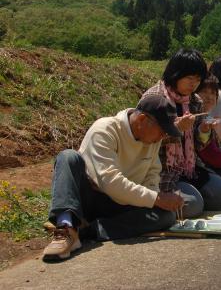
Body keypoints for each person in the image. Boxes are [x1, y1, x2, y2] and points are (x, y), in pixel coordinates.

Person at [42, 95, 182, 261]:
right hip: (91, 198)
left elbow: (152, 174)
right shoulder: (105, 129)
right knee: (68, 157)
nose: (162, 137)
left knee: (166, 216)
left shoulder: (152, 139)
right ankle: (65, 227)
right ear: (143, 120)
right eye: (162, 131)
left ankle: (86, 230)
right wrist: (156, 198)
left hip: (122, 203)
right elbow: (111, 182)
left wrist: (155, 199)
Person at [141, 49, 221, 214]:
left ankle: (188, 195)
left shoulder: (194, 100)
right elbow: (144, 140)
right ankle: (166, 201)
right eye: (190, 78)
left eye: (198, 80)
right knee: (194, 205)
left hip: (189, 168)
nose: (194, 84)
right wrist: (176, 129)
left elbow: (198, 145)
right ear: (175, 74)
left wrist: (204, 131)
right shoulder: (155, 99)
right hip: (163, 171)